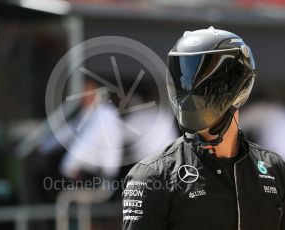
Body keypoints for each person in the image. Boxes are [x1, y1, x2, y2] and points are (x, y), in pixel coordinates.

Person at [122, 27, 285, 230]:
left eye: (205, 85)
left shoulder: (275, 169)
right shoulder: (153, 175)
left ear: (238, 88)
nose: (192, 92)